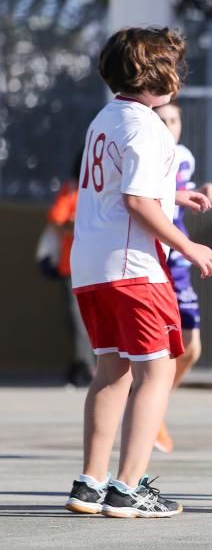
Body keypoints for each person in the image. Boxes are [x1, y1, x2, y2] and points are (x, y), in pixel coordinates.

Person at [63, 26, 212, 519]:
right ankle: (128, 489)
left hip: (91, 265)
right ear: (155, 72)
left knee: (111, 371)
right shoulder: (150, 126)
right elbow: (134, 201)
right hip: (134, 269)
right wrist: (187, 244)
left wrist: (175, 195)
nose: (179, 72)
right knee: (159, 371)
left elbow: (117, 188)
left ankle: (90, 483)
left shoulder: (105, 119)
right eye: (173, 63)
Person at [152, 101, 212, 454]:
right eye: (161, 119)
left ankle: (155, 407)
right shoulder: (146, 151)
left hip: (178, 258)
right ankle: (147, 411)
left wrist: (206, 191)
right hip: (151, 257)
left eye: (174, 119)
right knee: (154, 348)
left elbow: (184, 193)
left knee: (191, 346)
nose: (169, 126)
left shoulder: (184, 155)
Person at [46, 148, 95, 387]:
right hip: (73, 268)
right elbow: (57, 222)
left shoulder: (104, 189)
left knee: (97, 320)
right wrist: (80, 225)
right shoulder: (72, 190)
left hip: (100, 266)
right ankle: (84, 366)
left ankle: (90, 365)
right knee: (78, 321)